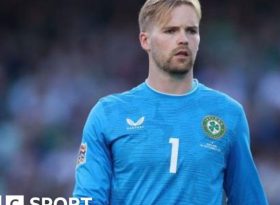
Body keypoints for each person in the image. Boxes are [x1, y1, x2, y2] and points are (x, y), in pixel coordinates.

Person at [73, 0, 268, 204]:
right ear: (145, 40)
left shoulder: (228, 114)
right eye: (170, 31)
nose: (183, 39)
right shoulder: (108, 113)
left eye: (191, 31)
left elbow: (249, 199)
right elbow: (88, 198)